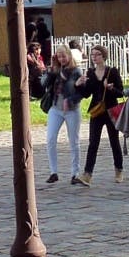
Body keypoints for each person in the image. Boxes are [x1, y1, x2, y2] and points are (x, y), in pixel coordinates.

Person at [76, 46, 125, 185]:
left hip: (110, 110)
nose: (94, 57)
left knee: (114, 141)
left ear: (104, 56)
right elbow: (86, 94)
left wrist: (110, 88)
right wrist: (79, 84)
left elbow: (120, 92)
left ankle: (119, 169)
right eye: (92, 55)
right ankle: (87, 174)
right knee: (93, 143)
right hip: (97, 111)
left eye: (97, 54)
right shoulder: (91, 72)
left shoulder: (112, 72)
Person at [40, 46, 83, 185]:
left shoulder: (76, 71)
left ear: (69, 56)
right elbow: (44, 84)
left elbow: (81, 93)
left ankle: (75, 173)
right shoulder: (55, 70)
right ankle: (53, 172)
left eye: (64, 56)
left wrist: (70, 100)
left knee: (73, 141)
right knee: (50, 139)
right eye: (59, 57)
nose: (62, 59)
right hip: (55, 108)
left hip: (72, 110)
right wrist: (52, 70)